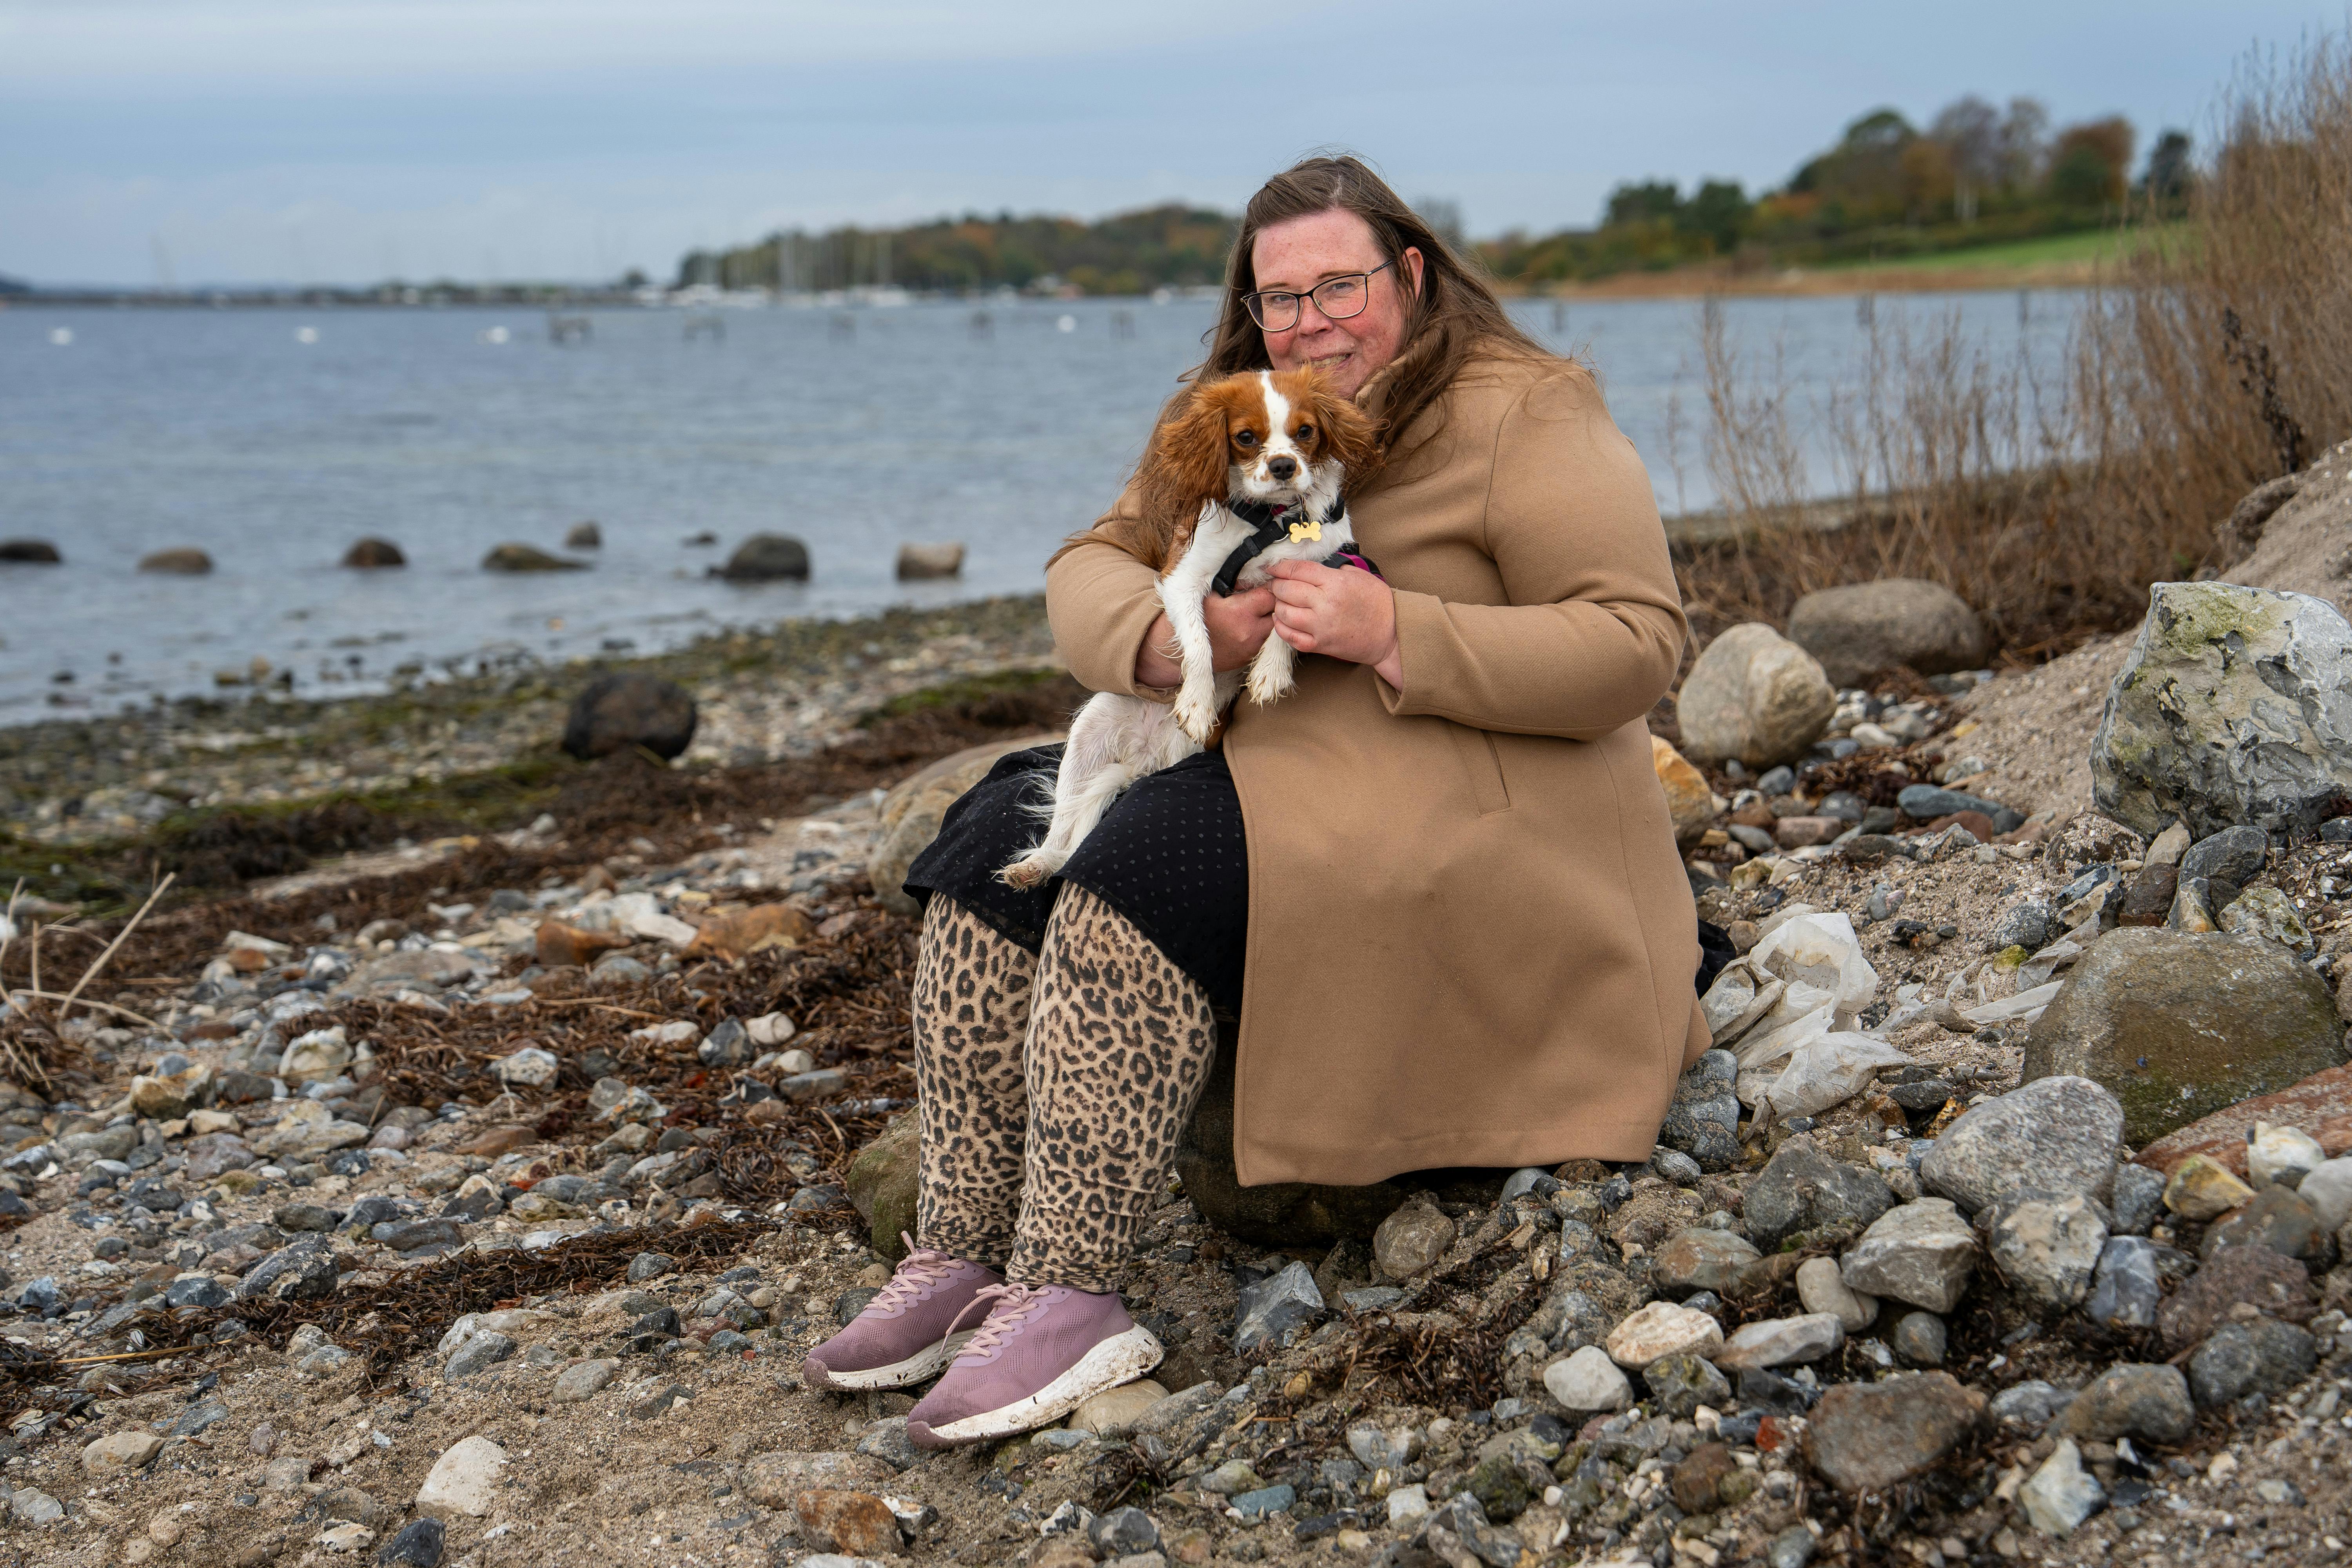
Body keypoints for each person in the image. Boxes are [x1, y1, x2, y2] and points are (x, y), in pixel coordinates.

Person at [803, 154, 1709, 1448]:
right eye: (1279, 296)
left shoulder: (1530, 410)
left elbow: (1637, 645)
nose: (1310, 319)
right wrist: (1181, 643)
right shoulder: (1232, 408)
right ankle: (957, 1253)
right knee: (984, 848)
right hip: (1252, 746)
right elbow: (1089, 568)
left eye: (1338, 284)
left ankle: (1074, 1290)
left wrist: (1399, 625)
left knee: (1133, 873)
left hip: (1453, 792)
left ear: (1409, 272)